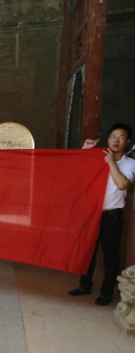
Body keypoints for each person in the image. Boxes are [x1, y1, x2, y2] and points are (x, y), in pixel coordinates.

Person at [68, 123, 135, 305]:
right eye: (113, 136)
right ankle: (85, 285)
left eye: (121, 137)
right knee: (87, 252)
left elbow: (122, 184)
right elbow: (74, 173)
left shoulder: (130, 164)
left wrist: (111, 162)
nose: (116, 140)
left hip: (111, 216)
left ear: (127, 142)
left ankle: (106, 292)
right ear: (108, 139)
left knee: (110, 255)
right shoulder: (98, 157)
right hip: (91, 214)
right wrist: (85, 151)